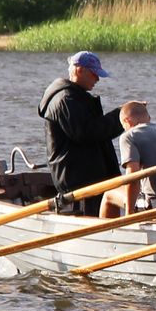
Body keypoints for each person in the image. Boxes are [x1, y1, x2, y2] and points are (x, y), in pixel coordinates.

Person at [38, 50, 123, 211]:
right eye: (94, 74)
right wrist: (121, 116)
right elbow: (87, 132)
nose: (97, 79)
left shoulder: (76, 97)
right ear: (79, 70)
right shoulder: (65, 100)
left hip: (89, 181)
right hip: (79, 184)